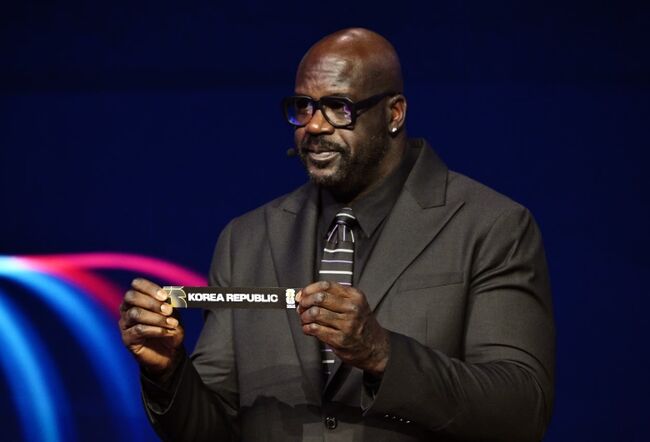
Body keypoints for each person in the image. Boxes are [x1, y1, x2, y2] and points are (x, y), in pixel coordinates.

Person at [119, 28, 555, 441]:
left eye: (338, 107)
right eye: (303, 107)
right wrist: (168, 372)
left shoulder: (490, 226)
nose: (314, 126)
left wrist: (383, 354)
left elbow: (521, 410)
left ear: (394, 113)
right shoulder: (246, 239)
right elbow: (214, 429)